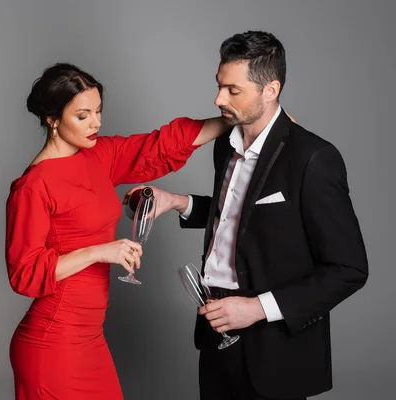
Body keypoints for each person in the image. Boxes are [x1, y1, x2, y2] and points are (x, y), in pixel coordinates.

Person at [126, 31, 368, 400]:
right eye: (219, 86)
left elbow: (349, 269)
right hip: (214, 329)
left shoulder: (313, 158)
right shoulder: (225, 143)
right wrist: (176, 201)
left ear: (270, 90)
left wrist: (256, 308)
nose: (218, 99)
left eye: (233, 91)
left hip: (275, 345)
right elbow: (240, 217)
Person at [5, 62, 229, 399]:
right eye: (83, 115)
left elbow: (161, 145)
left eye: (98, 111)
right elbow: (24, 274)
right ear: (52, 119)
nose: (96, 122)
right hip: (53, 344)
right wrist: (99, 252)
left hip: (90, 338)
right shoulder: (33, 186)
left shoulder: (98, 156)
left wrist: (238, 119)